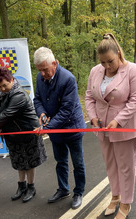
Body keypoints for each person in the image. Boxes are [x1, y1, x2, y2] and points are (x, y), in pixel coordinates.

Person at [85, 33, 136, 219]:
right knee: (111, 165)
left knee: (126, 167)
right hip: (102, 128)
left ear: (118, 53)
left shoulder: (133, 70)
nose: (107, 67)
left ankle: (126, 204)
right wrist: (93, 117)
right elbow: (89, 96)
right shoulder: (96, 71)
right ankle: (116, 196)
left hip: (124, 126)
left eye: (110, 61)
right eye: (103, 62)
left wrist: (118, 121)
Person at [0, 67, 47, 203]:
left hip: (28, 132)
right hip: (12, 134)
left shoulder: (19, 94)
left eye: (5, 85)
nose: (3, 89)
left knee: (29, 162)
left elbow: (7, 113)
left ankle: (31, 187)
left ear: (12, 80)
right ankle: (21, 185)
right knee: (18, 160)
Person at [33, 47, 86, 209]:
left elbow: (66, 110)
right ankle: (63, 189)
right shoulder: (39, 77)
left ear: (54, 64)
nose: (42, 74)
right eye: (39, 70)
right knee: (60, 161)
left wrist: (47, 128)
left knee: (78, 162)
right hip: (54, 129)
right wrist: (41, 114)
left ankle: (79, 191)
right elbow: (37, 100)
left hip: (72, 127)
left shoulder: (68, 79)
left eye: (45, 69)